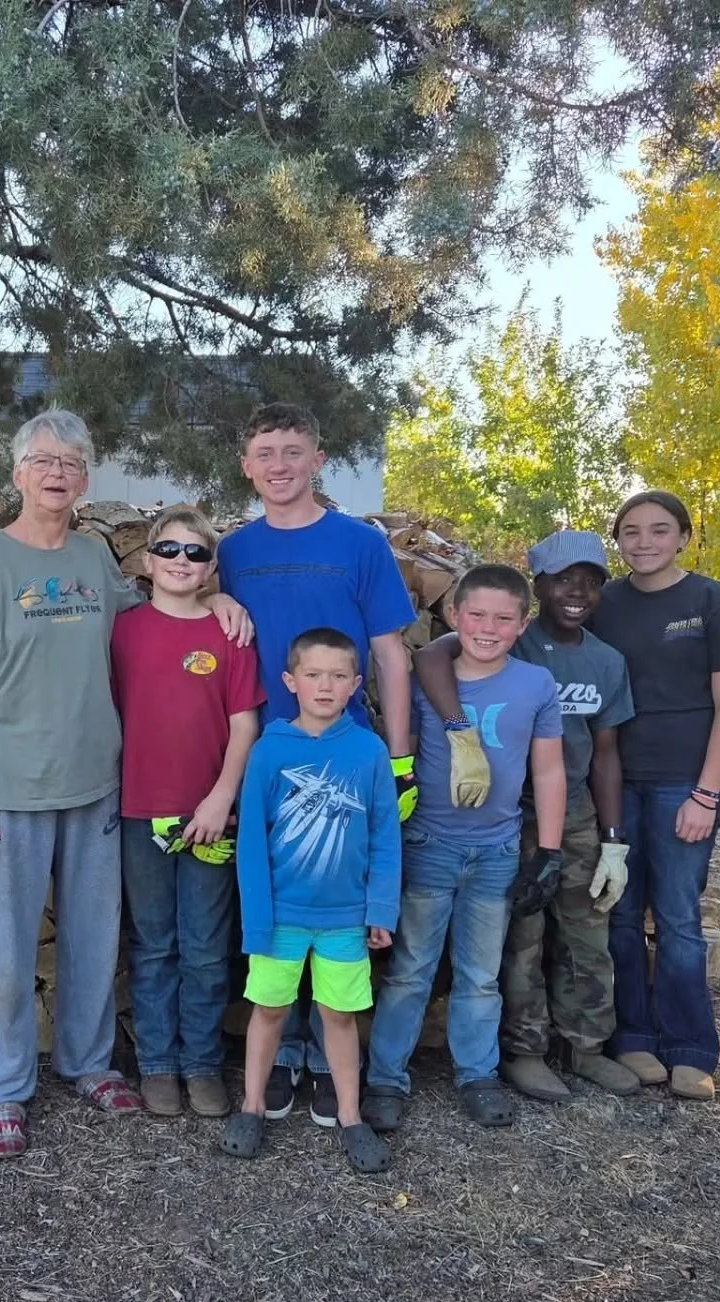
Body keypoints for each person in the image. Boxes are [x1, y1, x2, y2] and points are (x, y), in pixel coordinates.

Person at [0, 409, 251, 1160]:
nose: (57, 473)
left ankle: (87, 1063)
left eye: (71, 462)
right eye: (44, 460)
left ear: (85, 479)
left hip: (98, 787)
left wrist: (215, 599)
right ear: (18, 473)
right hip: (12, 787)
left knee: (92, 940)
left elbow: (156, 619)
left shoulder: (93, 558)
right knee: (7, 954)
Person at [215, 402, 448, 1124]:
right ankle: (282, 1054)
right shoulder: (233, 552)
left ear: (317, 460)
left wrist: (400, 759)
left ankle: (325, 1056)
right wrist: (217, 594)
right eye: (265, 454)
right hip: (266, 754)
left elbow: (390, 656)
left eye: (293, 451)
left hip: (344, 754)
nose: (279, 466)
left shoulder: (360, 545)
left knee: (337, 900)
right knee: (277, 901)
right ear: (246, 467)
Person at [414, 533, 641, 1101]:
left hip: (577, 810)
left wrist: (614, 840)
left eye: (590, 580)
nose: (577, 591)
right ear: (537, 587)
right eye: (563, 580)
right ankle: (526, 1049)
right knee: (522, 934)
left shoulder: (606, 660)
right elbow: (431, 655)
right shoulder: (511, 636)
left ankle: (586, 1045)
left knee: (587, 928)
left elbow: (606, 752)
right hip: (512, 810)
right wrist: (460, 734)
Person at [364, 565, 565, 1132]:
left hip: (496, 850)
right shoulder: (430, 681)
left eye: (504, 618)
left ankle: (477, 1073)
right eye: (476, 614)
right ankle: (385, 1077)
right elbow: (404, 751)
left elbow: (548, 771)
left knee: (480, 973)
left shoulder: (536, 685)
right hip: (429, 843)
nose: (488, 628)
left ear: (523, 624)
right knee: (410, 969)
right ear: (453, 616)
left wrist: (548, 852)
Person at [591, 491, 720, 1101]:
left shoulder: (716, 603)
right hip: (613, 781)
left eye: (659, 530)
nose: (644, 542)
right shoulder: (605, 604)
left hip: (681, 785)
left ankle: (690, 1047)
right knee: (619, 912)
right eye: (631, 531)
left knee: (679, 917)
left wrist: (706, 794)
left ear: (684, 537)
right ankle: (633, 1036)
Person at [219, 629, 400, 1172]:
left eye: (338, 676)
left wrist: (380, 909)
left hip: (344, 918)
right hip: (282, 918)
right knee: (269, 1009)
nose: (325, 686)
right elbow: (252, 844)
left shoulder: (369, 751)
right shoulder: (270, 750)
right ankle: (252, 1106)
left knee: (338, 1015)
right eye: (313, 675)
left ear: (355, 684)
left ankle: (350, 1115)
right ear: (290, 681)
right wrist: (257, 921)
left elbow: (385, 837)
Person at [110, 506, 263, 1120]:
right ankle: (157, 1064)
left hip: (209, 814)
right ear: (147, 562)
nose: (181, 561)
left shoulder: (230, 635)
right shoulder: (121, 630)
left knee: (204, 947)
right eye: (169, 550)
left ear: (210, 568)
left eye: (196, 553)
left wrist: (222, 796)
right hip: (138, 812)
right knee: (153, 946)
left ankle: (201, 1063)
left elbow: (244, 723)